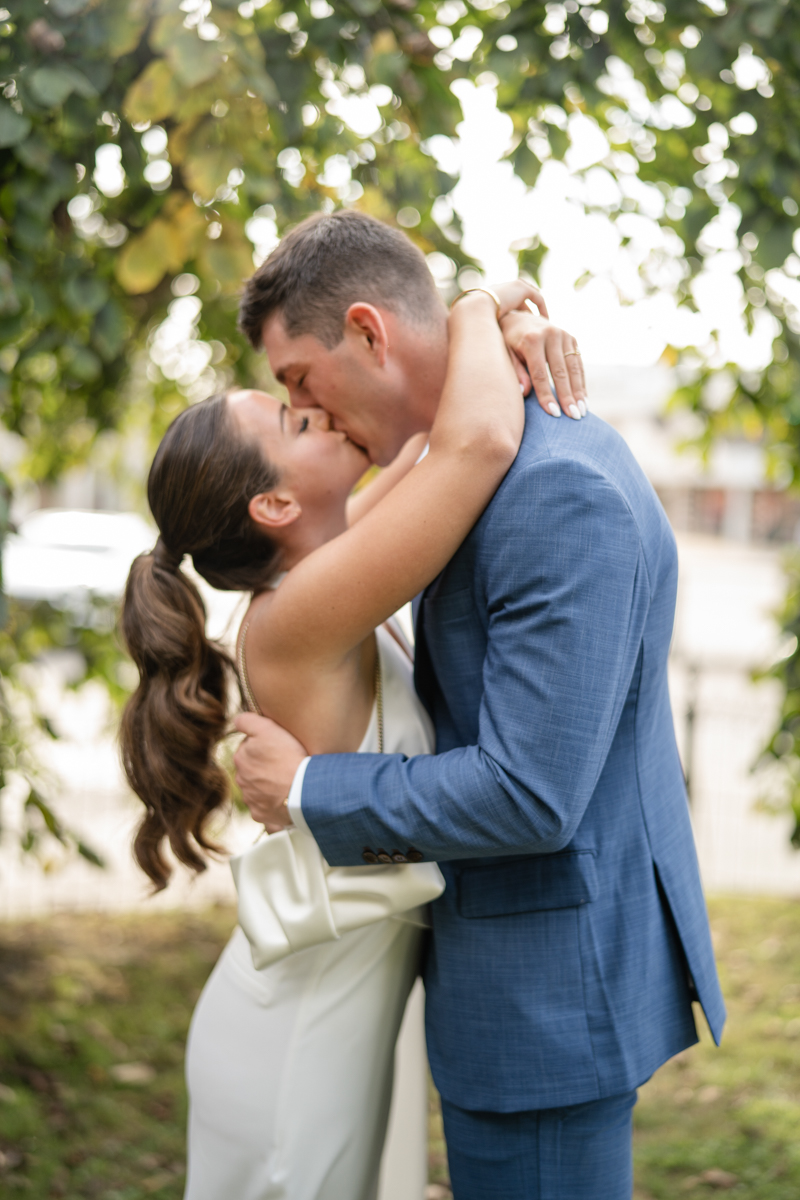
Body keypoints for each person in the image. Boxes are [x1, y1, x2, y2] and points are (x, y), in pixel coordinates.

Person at [233, 210, 727, 1200]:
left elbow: (528, 793)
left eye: (299, 384)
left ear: (369, 333)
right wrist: (488, 301)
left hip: (543, 997)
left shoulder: (548, 489)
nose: (314, 416)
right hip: (519, 979)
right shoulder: (468, 462)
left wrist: (313, 792)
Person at [119, 268, 575, 1200]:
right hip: (294, 1039)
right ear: (275, 506)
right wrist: (482, 307)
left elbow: (429, 440)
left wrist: (502, 310)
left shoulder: (325, 561)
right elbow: (478, 440)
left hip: (343, 1015)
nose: (317, 413)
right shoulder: (298, 615)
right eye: (292, 422)